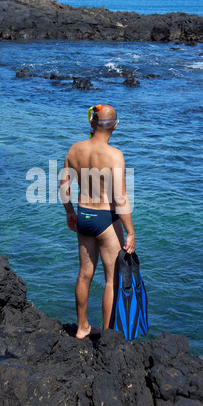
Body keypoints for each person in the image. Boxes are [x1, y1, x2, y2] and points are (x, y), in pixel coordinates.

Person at [59, 104, 135, 339]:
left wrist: (70, 212)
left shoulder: (75, 149)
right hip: (105, 219)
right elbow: (120, 197)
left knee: (84, 274)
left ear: (92, 123)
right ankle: (108, 335)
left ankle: (82, 327)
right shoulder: (115, 155)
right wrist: (130, 231)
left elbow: (63, 187)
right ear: (115, 125)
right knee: (111, 280)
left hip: (84, 216)